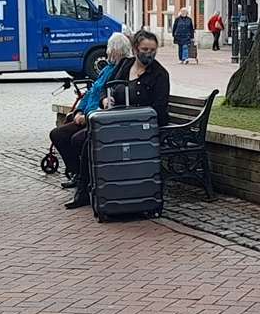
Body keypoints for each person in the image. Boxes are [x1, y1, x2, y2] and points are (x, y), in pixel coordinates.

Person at [69, 29, 171, 210]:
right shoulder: (125, 65)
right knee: (82, 139)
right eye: (145, 50)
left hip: (141, 127)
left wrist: (136, 116)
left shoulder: (159, 74)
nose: (149, 54)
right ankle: (89, 186)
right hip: (115, 121)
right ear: (135, 48)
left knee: (87, 142)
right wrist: (105, 99)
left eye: (152, 50)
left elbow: (159, 111)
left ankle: (85, 190)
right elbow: (105, 88)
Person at [48, 33, 133, 186]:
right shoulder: (108, 68)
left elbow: (106, 98)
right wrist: (79, 111)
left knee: (77, 140)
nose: (108, 52)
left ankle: (84, 179)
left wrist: (86, 115)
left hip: (98, 118)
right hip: (87, 116)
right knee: (57, 134)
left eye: (110, 49)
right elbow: (91, 93)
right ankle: (76, 172)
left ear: (118, 51)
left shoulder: (121, 71)